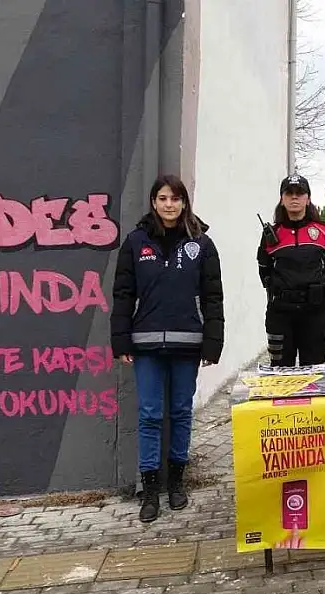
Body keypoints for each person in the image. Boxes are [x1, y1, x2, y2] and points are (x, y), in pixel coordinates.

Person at [110, 174, 225, 523]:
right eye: (162, 198)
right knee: (149, 415)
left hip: (187, 343)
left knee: (179, 413)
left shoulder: (201, 244)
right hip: (145, 344)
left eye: (175, 198)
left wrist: (212, 342)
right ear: (153, 202)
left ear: (184, 202)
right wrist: (121, 339)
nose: (169, 205)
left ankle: (176, 483)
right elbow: (123, 295)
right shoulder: (135, 242)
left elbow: (213, 297)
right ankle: (150, 489)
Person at [257, 174, 325, 367]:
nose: (294, 197)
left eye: (299, 193)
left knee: (314, 373)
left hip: (315, 315)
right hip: (281, 315)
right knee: (280, 373)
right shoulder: (271, 234)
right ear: (282, 199)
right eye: (289, 193)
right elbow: (264, 272)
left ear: (308, 198)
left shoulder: (324, 231)